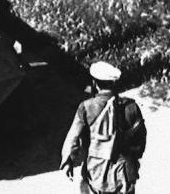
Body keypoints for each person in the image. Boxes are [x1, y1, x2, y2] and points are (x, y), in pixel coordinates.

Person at [61, 62, 146, 194]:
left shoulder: (86, 107)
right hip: (122, 172)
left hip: (95, 171)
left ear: (95, 83)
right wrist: (133, 159)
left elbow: (73, 136)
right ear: (113, 83)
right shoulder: (131, 106)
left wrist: (68, 161)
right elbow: (140, 139)